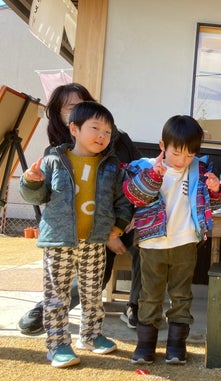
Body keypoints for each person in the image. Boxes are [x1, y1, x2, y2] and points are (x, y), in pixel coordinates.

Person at [17, 83, 142, 335]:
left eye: (84, 103)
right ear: (63, 119)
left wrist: (121, 224)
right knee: (95, 271)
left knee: (149, 239)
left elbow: (138, 176)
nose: (101, 134)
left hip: (123, 219)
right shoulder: (56, 155)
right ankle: (50, 309)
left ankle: (137, 305)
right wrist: (105, 236)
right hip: (82, 230)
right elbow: (50, 201)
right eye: (70, 107)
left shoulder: (119, 141)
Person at [123, 115, 221, 365]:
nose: (182, 160)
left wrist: (216, 190)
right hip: (152, 244)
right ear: (163, 145)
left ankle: (177, 347)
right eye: (177, 153)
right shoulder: (145, 167)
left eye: (189, 155)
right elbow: (134, 195)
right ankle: (145, 347)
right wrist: (153, 177)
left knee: (181, 296)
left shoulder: (199, 170)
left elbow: (213, 205)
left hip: (185, 243)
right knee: (150, 296)